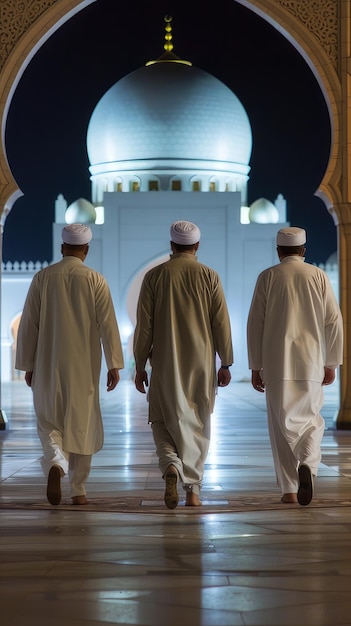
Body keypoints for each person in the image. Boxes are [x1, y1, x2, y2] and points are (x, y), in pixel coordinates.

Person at [15, 223, 124, 506]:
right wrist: (114, 364)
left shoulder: (43, 278)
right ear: (86, 250)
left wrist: (28, 364)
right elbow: (108, 325)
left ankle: (55, 462)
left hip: (47, 365)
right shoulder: (95, 279)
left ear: (62, 248)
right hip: (84, 368)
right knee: (82, 423)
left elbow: (29, 325)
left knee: (49, 420)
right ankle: (78, 490)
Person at [133, 220, 233, 509]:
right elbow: (221, 324)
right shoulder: (209, 276)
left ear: (172, 245)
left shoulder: (154, 276)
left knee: (162, 421)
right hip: (201, 366)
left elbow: (144, 327)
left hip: (164, 364)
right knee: (198, 424)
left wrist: (139, 364)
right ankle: (192, 490)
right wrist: (225, 361)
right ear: (197, 246)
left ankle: (171, 467)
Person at [247, 226, 343, 506]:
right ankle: (308, 466)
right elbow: (333, 321)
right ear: (303, 250)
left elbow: (256, 323)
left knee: (280, 425)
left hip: (277, 364)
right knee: (311, 420)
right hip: (312, 361)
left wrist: (256, 365)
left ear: (279, 251)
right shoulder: (318, 276)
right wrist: (331, 361)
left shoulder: (268, 277)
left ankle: (289, 490)